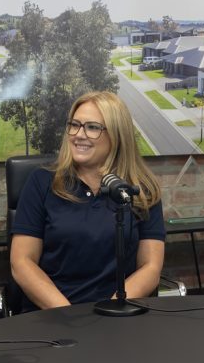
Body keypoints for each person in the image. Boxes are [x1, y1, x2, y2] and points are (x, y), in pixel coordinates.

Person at [10, 91, 165, 311]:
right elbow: (22, 262)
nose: (79, 135)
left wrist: (110, 312)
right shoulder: (42, 182)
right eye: (74, 125)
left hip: (116, 316)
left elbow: (151, 267)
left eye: (92, 127)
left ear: (117, 135)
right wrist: (67, 313)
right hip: (53, 315)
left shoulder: (141, 189)